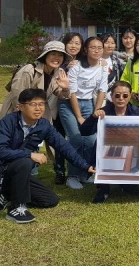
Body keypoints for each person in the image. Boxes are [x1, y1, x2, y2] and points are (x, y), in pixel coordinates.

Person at [0, 88, 95, 224]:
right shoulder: (7, 122)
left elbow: (65, 147)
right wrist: (30, 154)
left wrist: (86, 167)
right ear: (20, 107)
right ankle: (17, 208)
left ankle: (5, 194)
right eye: (33, 104)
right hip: (2, 170)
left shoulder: (44, 125)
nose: (38, 108)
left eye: (41, 104)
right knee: (25, 161)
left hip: (21, 174)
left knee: (50, 200)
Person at [78, 81, 139, 204]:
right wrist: (93, 118)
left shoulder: (137, 112)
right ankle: (103, 189)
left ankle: (125, 183)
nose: (121, 98)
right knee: (99, 148)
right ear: (111, 96)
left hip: (131, 150)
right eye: (117, 95)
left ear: (130, 96)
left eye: (125, 95)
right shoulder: (103, 112)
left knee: (131, 189)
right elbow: (84, 131)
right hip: (107, 149)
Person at [59, 36, 108, 190]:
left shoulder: (103, 66)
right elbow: (72, 93)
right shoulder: (76, 66)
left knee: (91, 140)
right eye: (93, 47)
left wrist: (96, 112)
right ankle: (72, 176)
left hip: (89, 104)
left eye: (99, 47)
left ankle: (85, 174)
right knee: (75, 138)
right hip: (69, 104)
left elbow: (102, 90)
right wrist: (79, 116)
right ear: (86, 50)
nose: (96, 50)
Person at [0, 41, 72, 119]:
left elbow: (62, 96)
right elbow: (17, 96)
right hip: (18, 114)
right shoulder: (29, 70)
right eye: (53, 54)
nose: (57, 58)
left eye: (60, 55)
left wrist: (65, 88)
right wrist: (27, 116)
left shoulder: (59, 72)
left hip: (39, 115)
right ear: (45, 56)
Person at [53, 33, 83, 184]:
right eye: (71, 42)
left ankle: (78, 169)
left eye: (77, 43)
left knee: (76, 137)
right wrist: (65, 66)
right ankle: (59, 170)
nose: (74, 46)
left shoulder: (83, 61)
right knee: (59, 137)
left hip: (80, 104)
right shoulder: (60, 61)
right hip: (61, 105)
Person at [100, 33, 125, 102]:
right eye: (107, 43)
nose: (110, 46)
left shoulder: (118, 62)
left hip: (113, 98)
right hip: (96, 96)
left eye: (112, 43)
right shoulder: (94, 60)